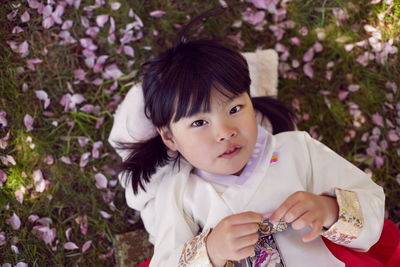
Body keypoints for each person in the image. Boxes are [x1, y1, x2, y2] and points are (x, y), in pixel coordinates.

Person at [108, 13, 386, 267]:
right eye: (199, 122)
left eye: (235, 109)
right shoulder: (181, 193)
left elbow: (371, 203)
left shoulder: (297, 150)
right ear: (169, 137)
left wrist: (328, 209)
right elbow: (165, 261)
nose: (224, 132)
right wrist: (211, 250)